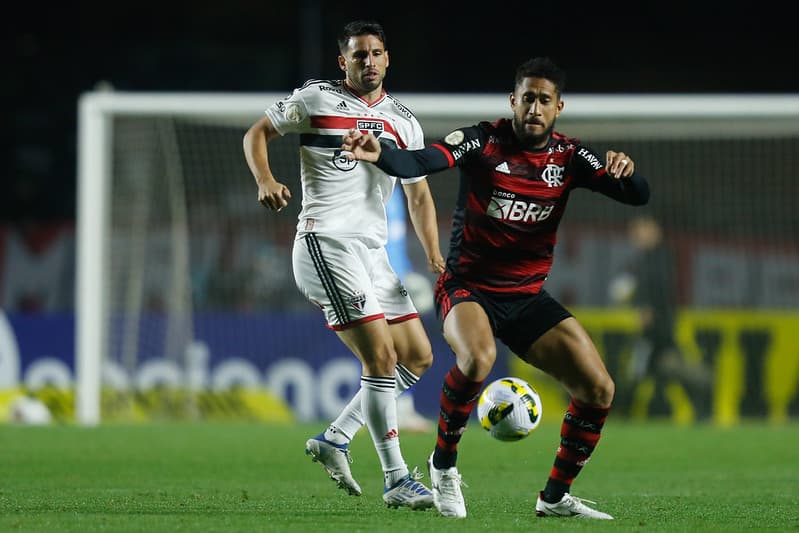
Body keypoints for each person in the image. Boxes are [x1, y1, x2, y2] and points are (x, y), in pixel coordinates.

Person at [342, 56, 650, 519]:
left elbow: (637, 195)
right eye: (527, 98)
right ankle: (443, 465)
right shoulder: (483, 141)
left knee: (598, 388)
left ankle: (554, 498)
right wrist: (381, 152)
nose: (534, 108)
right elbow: (423, 159)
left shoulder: (569, 158)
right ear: (513, 100)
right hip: (467, 286)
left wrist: (627, 171)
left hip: (526, 297)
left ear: (558, 107)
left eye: (545, 100)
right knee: (479, 357)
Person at [243, 20, 445, 509]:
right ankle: (396, 479)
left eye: (376, 53)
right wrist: (265, 180)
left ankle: (335, 438)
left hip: (372, 253)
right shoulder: (315, 99)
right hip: (325, 243)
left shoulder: (405, 121)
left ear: (387, 58)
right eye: (359, 55)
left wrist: (435, 255)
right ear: (344, 62)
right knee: (380, 359)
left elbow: (419, 196)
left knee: (417, 357)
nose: (368, 61)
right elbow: (258, 133)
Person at [611, 214, 712, 420]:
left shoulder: (658, 258)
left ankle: (620, 417)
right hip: (656, 329)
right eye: (635, 231)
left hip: (656, 329)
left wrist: (646, 309)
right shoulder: (648, 258)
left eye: (641, 230)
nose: (637, 235)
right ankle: (702, 400)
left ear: (655, 231)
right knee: (660, 369)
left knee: (638, 372)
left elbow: (660, 290)